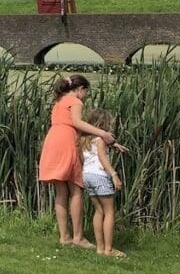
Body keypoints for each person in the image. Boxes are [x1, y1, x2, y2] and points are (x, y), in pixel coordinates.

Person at [38, 74, 124, 248]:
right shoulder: (76, 102)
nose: (86, 96)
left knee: (61, 191)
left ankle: (64, 237)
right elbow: (77, 123)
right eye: (86, 92)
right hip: (66, 142)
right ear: (80, 89)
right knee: (76, 189)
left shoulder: (59, 101)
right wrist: (103, 134)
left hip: (53, 140)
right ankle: (78, 237)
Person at [80, 108, 126, 258]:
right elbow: (102, 157)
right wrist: (114, 175)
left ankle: (100, 248)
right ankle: (108, 249)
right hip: (100, 176)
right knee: (109, 212)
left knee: (98, 211)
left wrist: (113, 145)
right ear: (103, 123)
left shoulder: (84, 139)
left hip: (87, 176)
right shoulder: (100, 139)